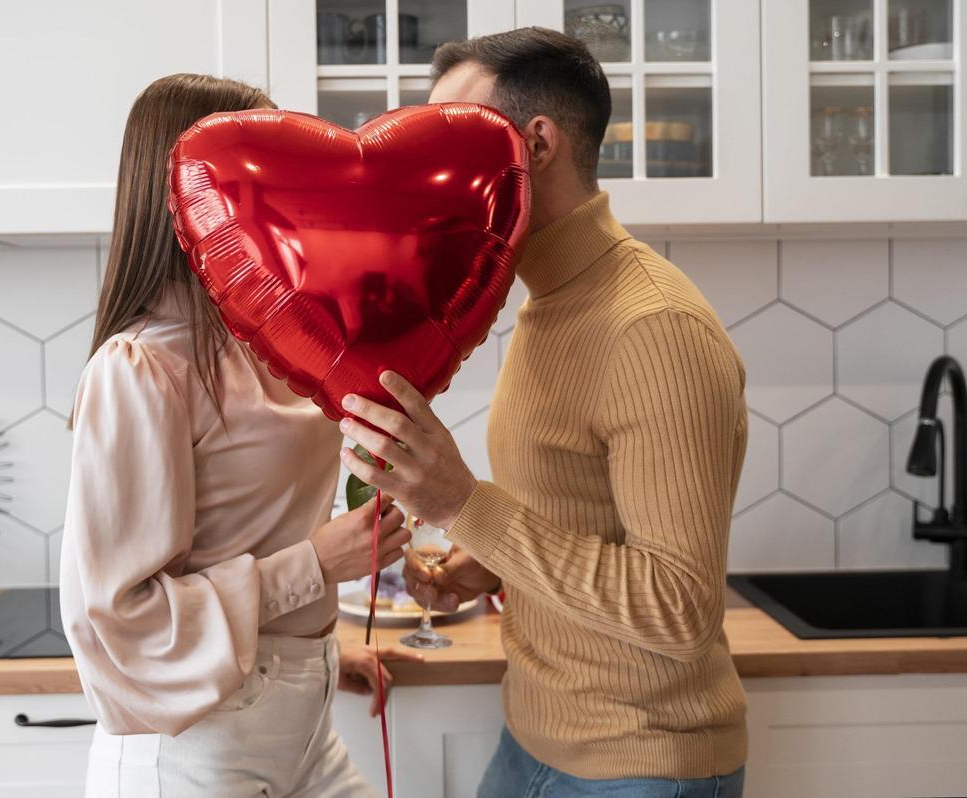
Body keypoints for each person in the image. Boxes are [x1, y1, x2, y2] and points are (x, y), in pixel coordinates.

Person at [338, 28, 749, 798]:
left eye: (451, 138)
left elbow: (679, 606)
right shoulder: (546, 301)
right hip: (532, 741)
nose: (426, 173)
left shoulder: (653, 327)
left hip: (640, 767)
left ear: (535, 144)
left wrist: (464, 503)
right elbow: (583, 511)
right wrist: (487, 561)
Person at [59, 73, 417, 798]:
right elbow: (119, 616)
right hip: (196, 747)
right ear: (190, 185)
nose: (288, 189)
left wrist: (310, 653)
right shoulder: (142, 367)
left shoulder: (269, 338)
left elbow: (239, 532)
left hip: (298, 723)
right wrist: (316, 567)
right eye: (262, 165)